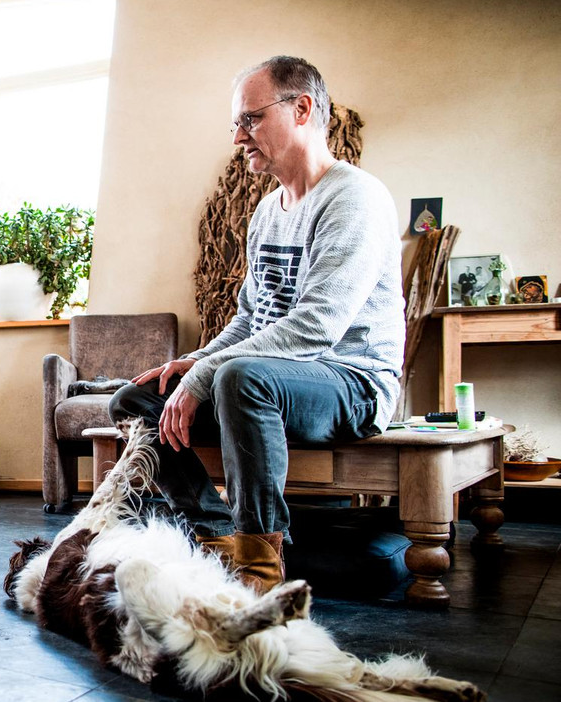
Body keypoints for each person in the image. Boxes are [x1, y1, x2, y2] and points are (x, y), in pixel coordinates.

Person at [109, 56, 405, 594]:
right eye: (236, 124)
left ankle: (261, 569)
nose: (239, 137)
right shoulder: (268, 211)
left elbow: (317, 326)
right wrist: (194, 363)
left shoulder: (354, 198)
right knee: (134, 400)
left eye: (251, 120)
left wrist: (206, 375)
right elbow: (250, 318)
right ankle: (216, 538)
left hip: (350, 382)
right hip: (267, 382)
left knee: (239, 377)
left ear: (302, 109)